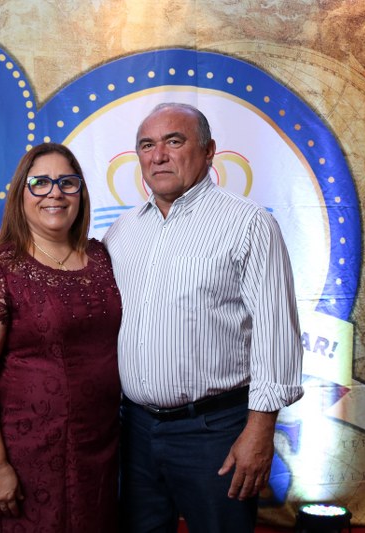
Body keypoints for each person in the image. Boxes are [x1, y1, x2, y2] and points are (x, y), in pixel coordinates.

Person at [103, 102, 304, 533]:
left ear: (209, 150)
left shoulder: (248, 224)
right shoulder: (121, 232)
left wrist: (259, 431)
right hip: (134, 429)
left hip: (214, 431)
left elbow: (275, 333)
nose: (158, 156)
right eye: (147, 145)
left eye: (174, 141)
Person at [0, 142, 122, 532]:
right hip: (28, 453)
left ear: (81, 192)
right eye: (40, 183)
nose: (55, 193)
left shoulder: (102, 257)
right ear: (21, 193)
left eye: (67, 182)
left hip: (101, 448)